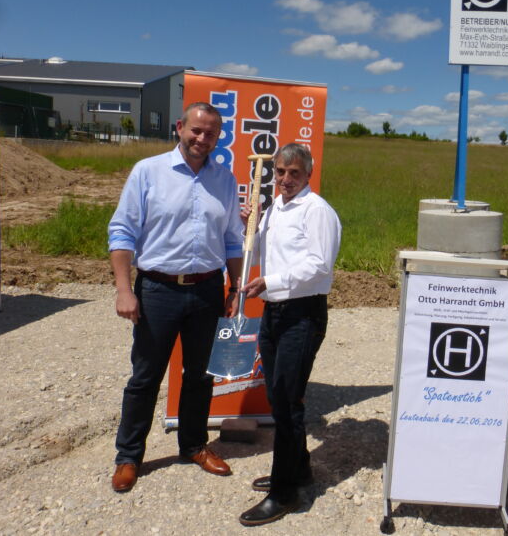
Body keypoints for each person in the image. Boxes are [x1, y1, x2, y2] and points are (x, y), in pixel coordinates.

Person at [107, 102, 243, 492]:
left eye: (211, 134)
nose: (202, 139)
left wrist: (234, 287)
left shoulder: (225, 180)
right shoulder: (148, 172)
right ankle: (129, 456)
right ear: (180, 128)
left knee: (200, 376)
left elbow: (232, 239)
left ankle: (195, 446)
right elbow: (122, 233)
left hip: (206, 290)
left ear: (219, 137)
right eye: (196, 131)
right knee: (145, 378)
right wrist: (123, 289)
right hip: (158, 291)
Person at [237, 143, 341, 527]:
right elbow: (262, 249)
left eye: (294, 173)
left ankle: (284, 492)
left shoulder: (317, 211)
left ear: (308, 174)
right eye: (280, 172)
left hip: (302, 314)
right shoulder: (275, 209)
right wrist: (250, 222)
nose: (285, 179)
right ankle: (299, 468)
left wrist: (271, 281)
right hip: (274, 311)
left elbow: (319, 263)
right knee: (278, 397)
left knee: (289, 401)